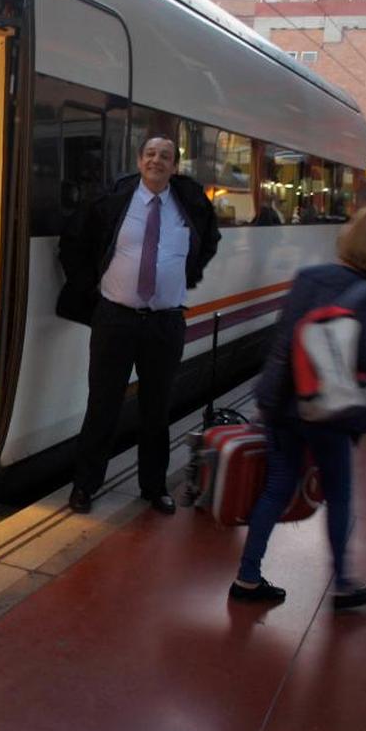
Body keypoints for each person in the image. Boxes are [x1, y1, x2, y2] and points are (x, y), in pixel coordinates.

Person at [230, 208, 366, 609]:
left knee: (276, 488)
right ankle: (342, 583)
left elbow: (282, 344)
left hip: (285, 406)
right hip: (330, 413)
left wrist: (268, 403)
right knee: (339, 494)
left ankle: (247, 577)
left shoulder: (308, 278)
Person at [57, 135, 221, 515]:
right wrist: (88, 287)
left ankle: (154, 486)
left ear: (174, 166)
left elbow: (208, 243)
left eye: (165, 156)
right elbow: (73, 243)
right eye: (150, 154)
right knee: (102, 405)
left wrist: (184, 277)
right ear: (139, 160)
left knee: (157, 409)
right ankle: (85, 485)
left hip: (165, 323)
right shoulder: (114, 202)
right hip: (115, 319)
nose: (156, 161)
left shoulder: (189, 205)